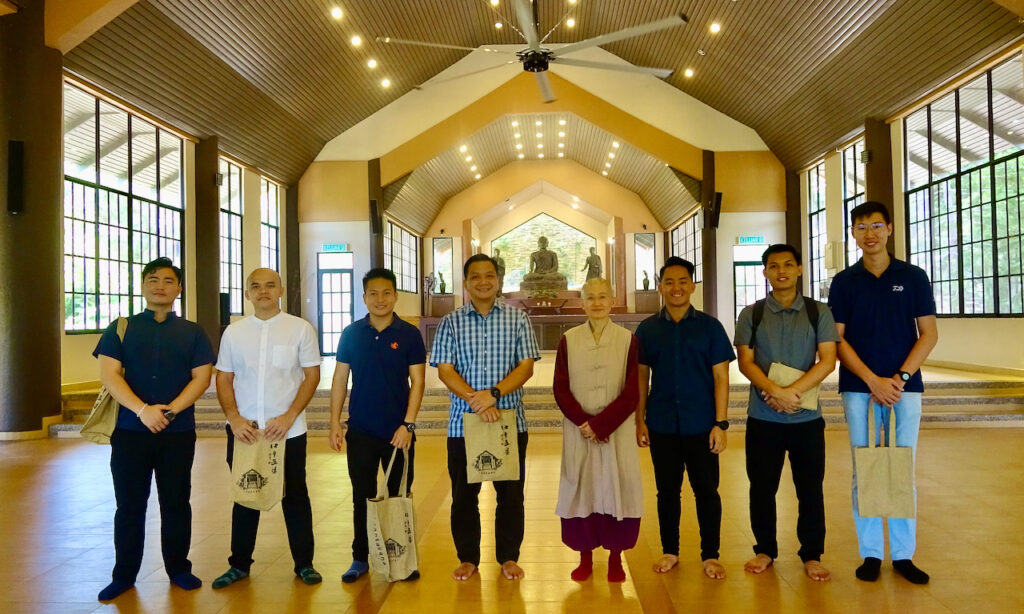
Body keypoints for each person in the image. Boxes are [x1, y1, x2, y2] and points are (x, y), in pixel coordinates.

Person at [92, 257, 214, 601]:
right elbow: (109, 375)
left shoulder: (192, 332)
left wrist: (170, 412)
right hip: (129, 431)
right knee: (129, 506)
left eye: (168, 280)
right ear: (143, 286)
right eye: (153, 279)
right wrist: (143, 410)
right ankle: (123, 575)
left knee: (176, 502)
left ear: (178, 289)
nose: (160, 285)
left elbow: (202, 378)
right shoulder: (121, 327)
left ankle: (179, 569)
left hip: (177, 433)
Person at [828, 201, 938, 585]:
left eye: (876, 225)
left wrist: (900, 378)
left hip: (905, 388)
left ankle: (904, 555)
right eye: (861, 227)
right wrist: (872, 380)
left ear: (889, 228)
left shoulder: (913, 276)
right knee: (865, 468)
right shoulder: (844, 282)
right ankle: (871, 553)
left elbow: (929, 334)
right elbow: (837, 340)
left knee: (902, 468)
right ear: (853, 234)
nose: (869, 233)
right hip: (859, 389)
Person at [431, 253, 541, 581]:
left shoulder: (518, 319)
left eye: (489, 275)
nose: (483, 281)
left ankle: (509, 557)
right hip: (463, 425)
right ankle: (468, 558)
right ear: (466, 283)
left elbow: (526, 366)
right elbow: (445, 370)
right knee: (464, 496)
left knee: (511, 495)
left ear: (498, 280)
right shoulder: (451, 322)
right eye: (475, 276)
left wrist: (492, 395)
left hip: (509, 421)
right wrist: (476, 401)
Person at [211, 268, 323, 589]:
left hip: (288, 431)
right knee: (245, 495)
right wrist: (234, 418)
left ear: (281, 291)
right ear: (247, 293)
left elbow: (312, 376)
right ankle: (239, 565)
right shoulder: (234, 333)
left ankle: (304, 564)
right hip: (245, 431)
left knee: (295, 496)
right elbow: (224, 378)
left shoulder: (299, 329)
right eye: (256, 286)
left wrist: (289, 416)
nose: (263, 291)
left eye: (270, 285)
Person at [734, 244, 838, 582]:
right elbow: (746, 362)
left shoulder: (818, 312)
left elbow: (828, 360)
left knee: (810, 489)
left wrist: (792, 392)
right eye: (774, 266)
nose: (781, 271)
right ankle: (765, 549)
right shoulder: (751, 314)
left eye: (788, 265)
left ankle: (812, 554)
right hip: (764, 418)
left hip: (806, 418)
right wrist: (774, 391)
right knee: (762, 487)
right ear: (765, 272)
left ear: (799, 269)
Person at [634, 256, 734, 579]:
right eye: (669, 282)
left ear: (692, 286)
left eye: (682, 282)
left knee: (707, 491)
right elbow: (641, 377)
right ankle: (670, 550)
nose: (676, 288)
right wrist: (639, 420)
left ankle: (710, 555)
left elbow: (721, 377)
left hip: (701, 423)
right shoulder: (648, 329)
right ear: (660, 287)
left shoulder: (710, 327)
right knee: (667, 492)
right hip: (662, 422)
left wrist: (720, 424)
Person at [329, 267, 426, 583]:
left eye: (386, 293)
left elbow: (418, 381)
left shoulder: (409, 334)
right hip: (361, 431)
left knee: (399, 496)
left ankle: (402, 558)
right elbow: (340, 379)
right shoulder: (351, 334)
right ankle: (360, 557)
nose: (380, 299)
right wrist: (334, 422)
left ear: (395, 296)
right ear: (364, 297)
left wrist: (408, 425)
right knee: (362, 496)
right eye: (373, 293)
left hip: (399, 433)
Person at [553, 277, 641, 583]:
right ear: (582, 303)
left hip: (617, 430)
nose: (597, 302)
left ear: (612, 300)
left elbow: (632, 391)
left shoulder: (628, 340)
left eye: (603, 296)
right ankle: (585, 557)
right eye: (590, 297)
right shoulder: (569, 339)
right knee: (582, 488)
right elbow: (560, 387)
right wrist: (584, 422)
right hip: (579, 430)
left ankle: (616, 558)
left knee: (619, 486)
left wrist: (602, 424)